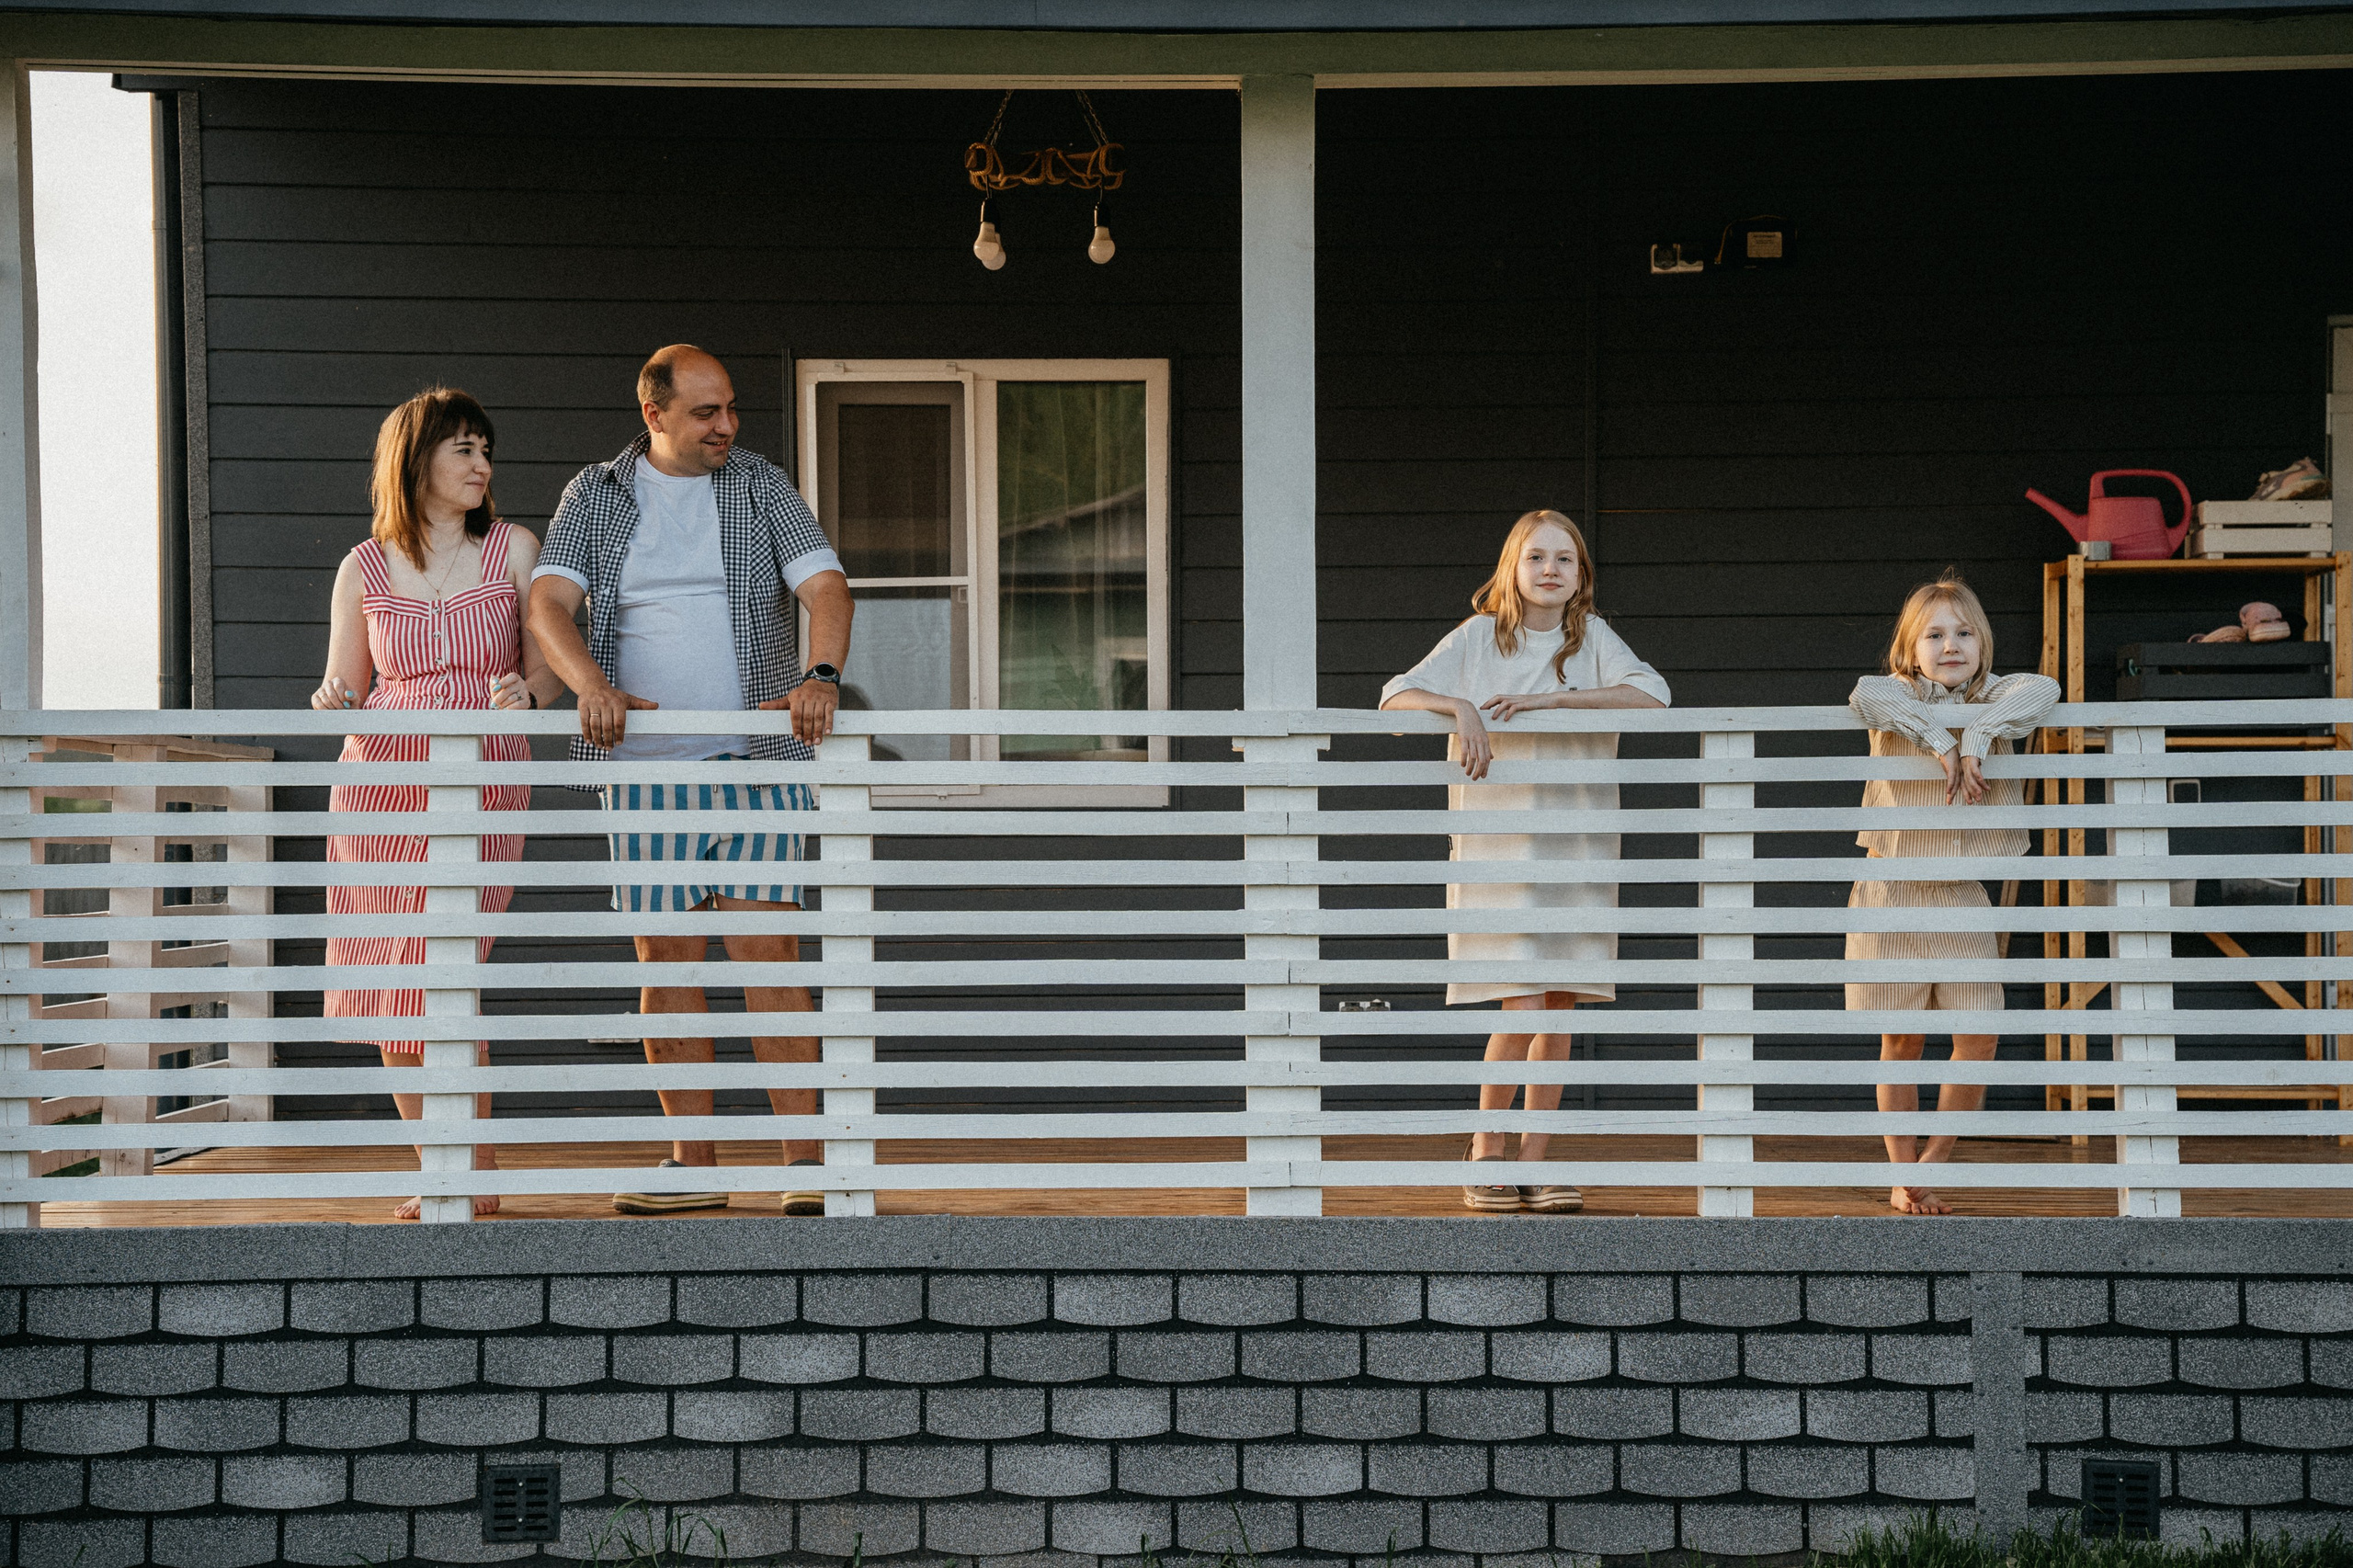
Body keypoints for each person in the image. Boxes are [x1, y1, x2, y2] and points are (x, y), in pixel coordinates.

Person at [528, 345, 852, 1217]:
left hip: (757, 760)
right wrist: (591, 684)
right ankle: (695, 1166)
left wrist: (819, 675)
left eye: (731, 407)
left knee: (768, 954)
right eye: (706, 411)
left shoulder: (759, 482)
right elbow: (548, 605)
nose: (726, 425)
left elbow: (825, 586)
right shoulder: (595, 494)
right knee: (666, 958)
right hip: (643, 772)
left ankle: (807, 1170)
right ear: (656, 415)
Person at [1381, 509, 1669, 1215]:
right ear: (1512, 566)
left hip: (1579, 846)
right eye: (1536, 556)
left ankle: (1539, 1160)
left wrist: (1551, 702)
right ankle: (1487, 1150)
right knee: (1522, 1000)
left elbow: (1654, 694)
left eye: (1564, 559)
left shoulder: (1591, 638)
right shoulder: (1482, 636)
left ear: (1580, 575)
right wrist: (1461, 709)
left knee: (1560, 1008)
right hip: (1503, 848)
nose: (1550, 569)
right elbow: (1394, 694)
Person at [315, 387, 560, 1220]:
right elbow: (348, 680)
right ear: (415, 459)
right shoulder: (364, 566)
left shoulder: (516, 549)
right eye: (464, 448)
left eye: (486, 449)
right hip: (379, 775)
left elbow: (552, 663)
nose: (482, 464)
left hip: (480, 768)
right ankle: (444, 1173)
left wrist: (528, 695)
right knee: (391, 977)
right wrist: (330, 697)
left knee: (445, 967)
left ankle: (474, 1177)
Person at [1847, 570, 2057, 1215]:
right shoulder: (1895, 691)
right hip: (1891, 887)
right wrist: (1942, 739)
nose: (1950, 644)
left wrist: (1981, 734)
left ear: (1983, 643)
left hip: (1961, 893)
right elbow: (1866, 694)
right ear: (1911, 649)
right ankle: (1902, 1172)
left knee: (1979, 1033)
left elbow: (2044, 688)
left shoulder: (2001, 694)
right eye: (1934, 634)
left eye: (1965, 632)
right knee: (1902, 1040)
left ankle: (1930, 1164)